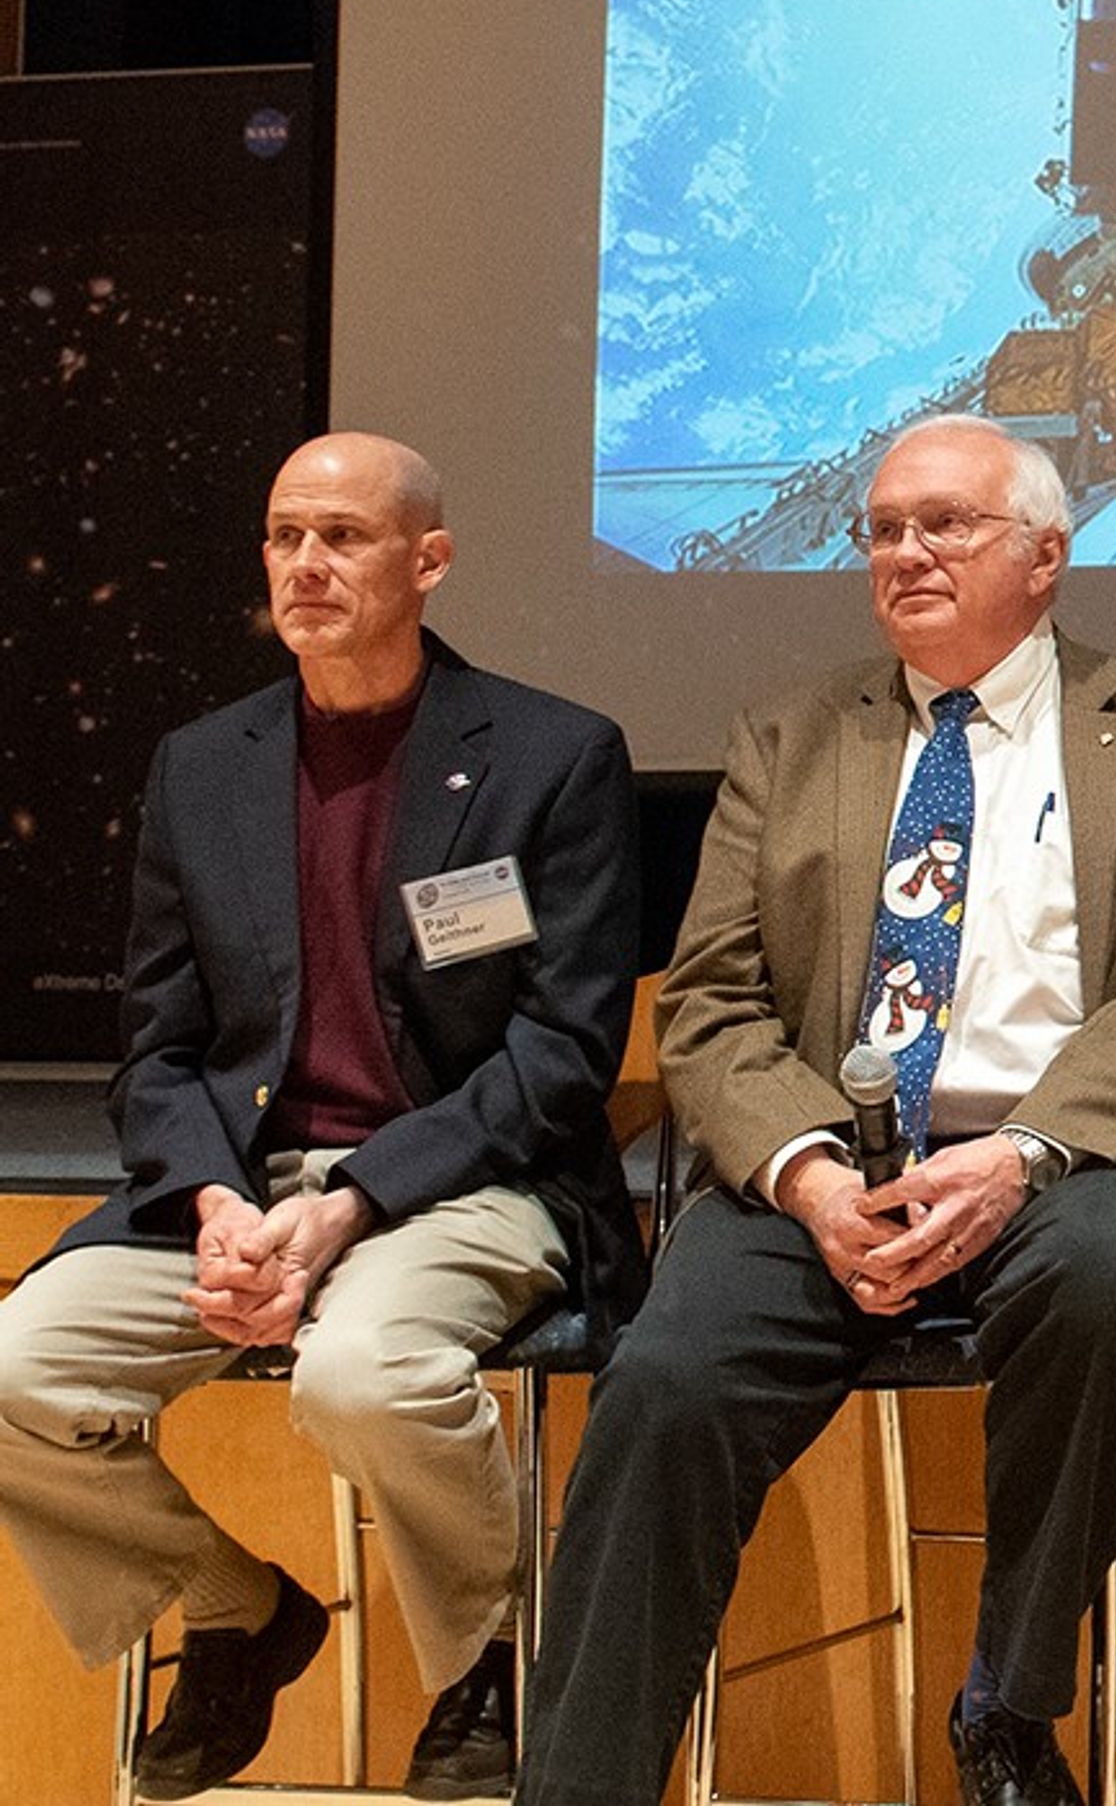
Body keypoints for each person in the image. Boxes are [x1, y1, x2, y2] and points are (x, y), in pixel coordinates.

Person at [517, 414, 1116, 1806]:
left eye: (945, 522)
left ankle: (1008, 1702)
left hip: (1081, 1152)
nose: (905, 552)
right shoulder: (792, 734)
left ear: (1048, 555)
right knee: (660, 1382)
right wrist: (811, 1173)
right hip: (835, 1163)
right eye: (885, 527)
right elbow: (708, 998)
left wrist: (1025, 1148)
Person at [0, 431, 644, 1801]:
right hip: (238, 1186)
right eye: (286, 535)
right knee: (14, 1374)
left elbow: (561, 1055)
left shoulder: (551, 755)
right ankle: (235, 1607)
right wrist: (222, 1203)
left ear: (430, 559)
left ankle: (483, 1655)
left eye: (343, 536)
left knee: (360, 1372)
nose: (306, 564)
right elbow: (159, 1045)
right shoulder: (203, 763)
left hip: (467, 1174)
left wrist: (353, 1200)